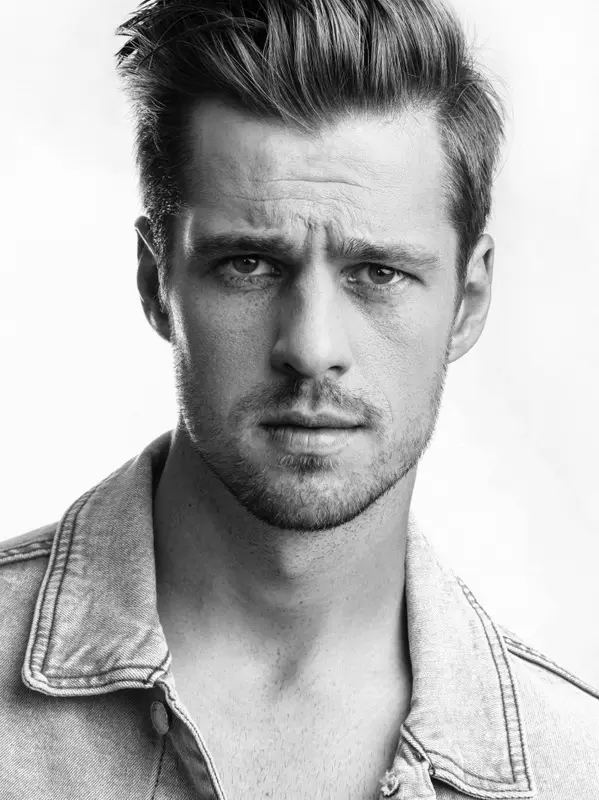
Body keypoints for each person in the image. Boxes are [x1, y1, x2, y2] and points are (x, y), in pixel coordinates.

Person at [2, 0, 598, 797]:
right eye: (248, 265)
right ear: (155, 281)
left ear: (468, 298)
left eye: (378, 273)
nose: (311, 348)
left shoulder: (578, 770)